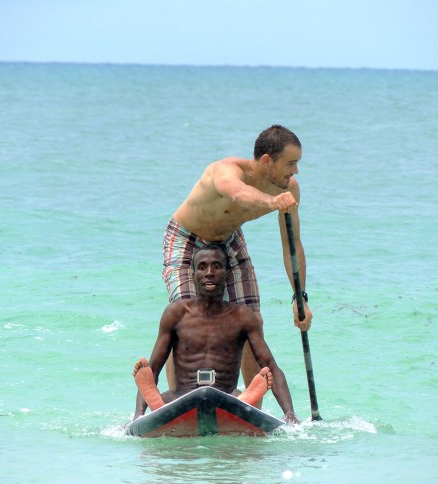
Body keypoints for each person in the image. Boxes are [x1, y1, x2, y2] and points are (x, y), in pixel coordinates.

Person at [162, 124, 313, 399]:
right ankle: (178, 399)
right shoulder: (224, 171)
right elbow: (239, 194)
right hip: (188, 238)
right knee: (185, 320)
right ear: (267, 160)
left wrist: (299, 297)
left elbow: (292, 246)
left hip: (229, 240)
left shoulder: (289, 190)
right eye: (290, 164)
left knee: (252, 321)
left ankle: (250, 406)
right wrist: (272, 201)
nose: (295, 171)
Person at [134, 244, 299, 424]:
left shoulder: (242, 316)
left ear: (228, 275)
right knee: (155, 387)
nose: (209, 272)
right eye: (202, 267)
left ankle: (246, 399)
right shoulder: (176, 313)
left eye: (217, 266)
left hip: (225, 398)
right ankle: (156, 403)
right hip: (182, 398)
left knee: (238, 399)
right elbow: (154, 368)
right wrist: (138, 416)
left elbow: (271, 367)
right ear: (194, 274)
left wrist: (289, 413)